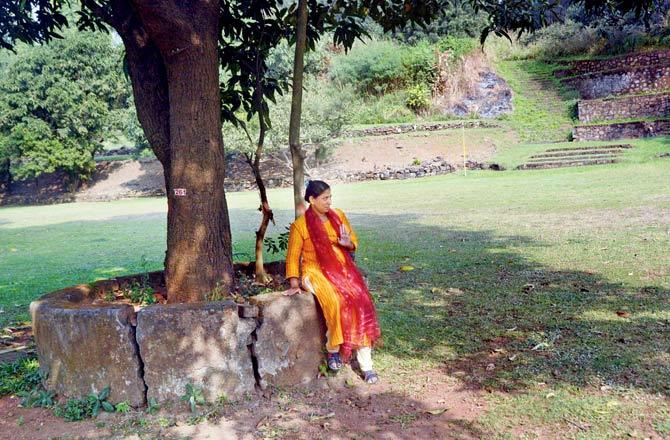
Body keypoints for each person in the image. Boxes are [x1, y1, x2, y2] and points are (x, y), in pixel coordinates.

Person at [283, 180, 381, 383]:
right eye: (325, 198)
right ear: (312, 199)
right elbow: (293, 256)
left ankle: (367, 365)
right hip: (314, 271)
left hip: (342, 270)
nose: (329, 202)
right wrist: (294, 283)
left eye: (330, 197)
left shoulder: (338, 217)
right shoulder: (300, 226)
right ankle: (333, 349)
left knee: (361, 301)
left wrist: (348, 243)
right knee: (335, 301)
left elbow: (352, 240)